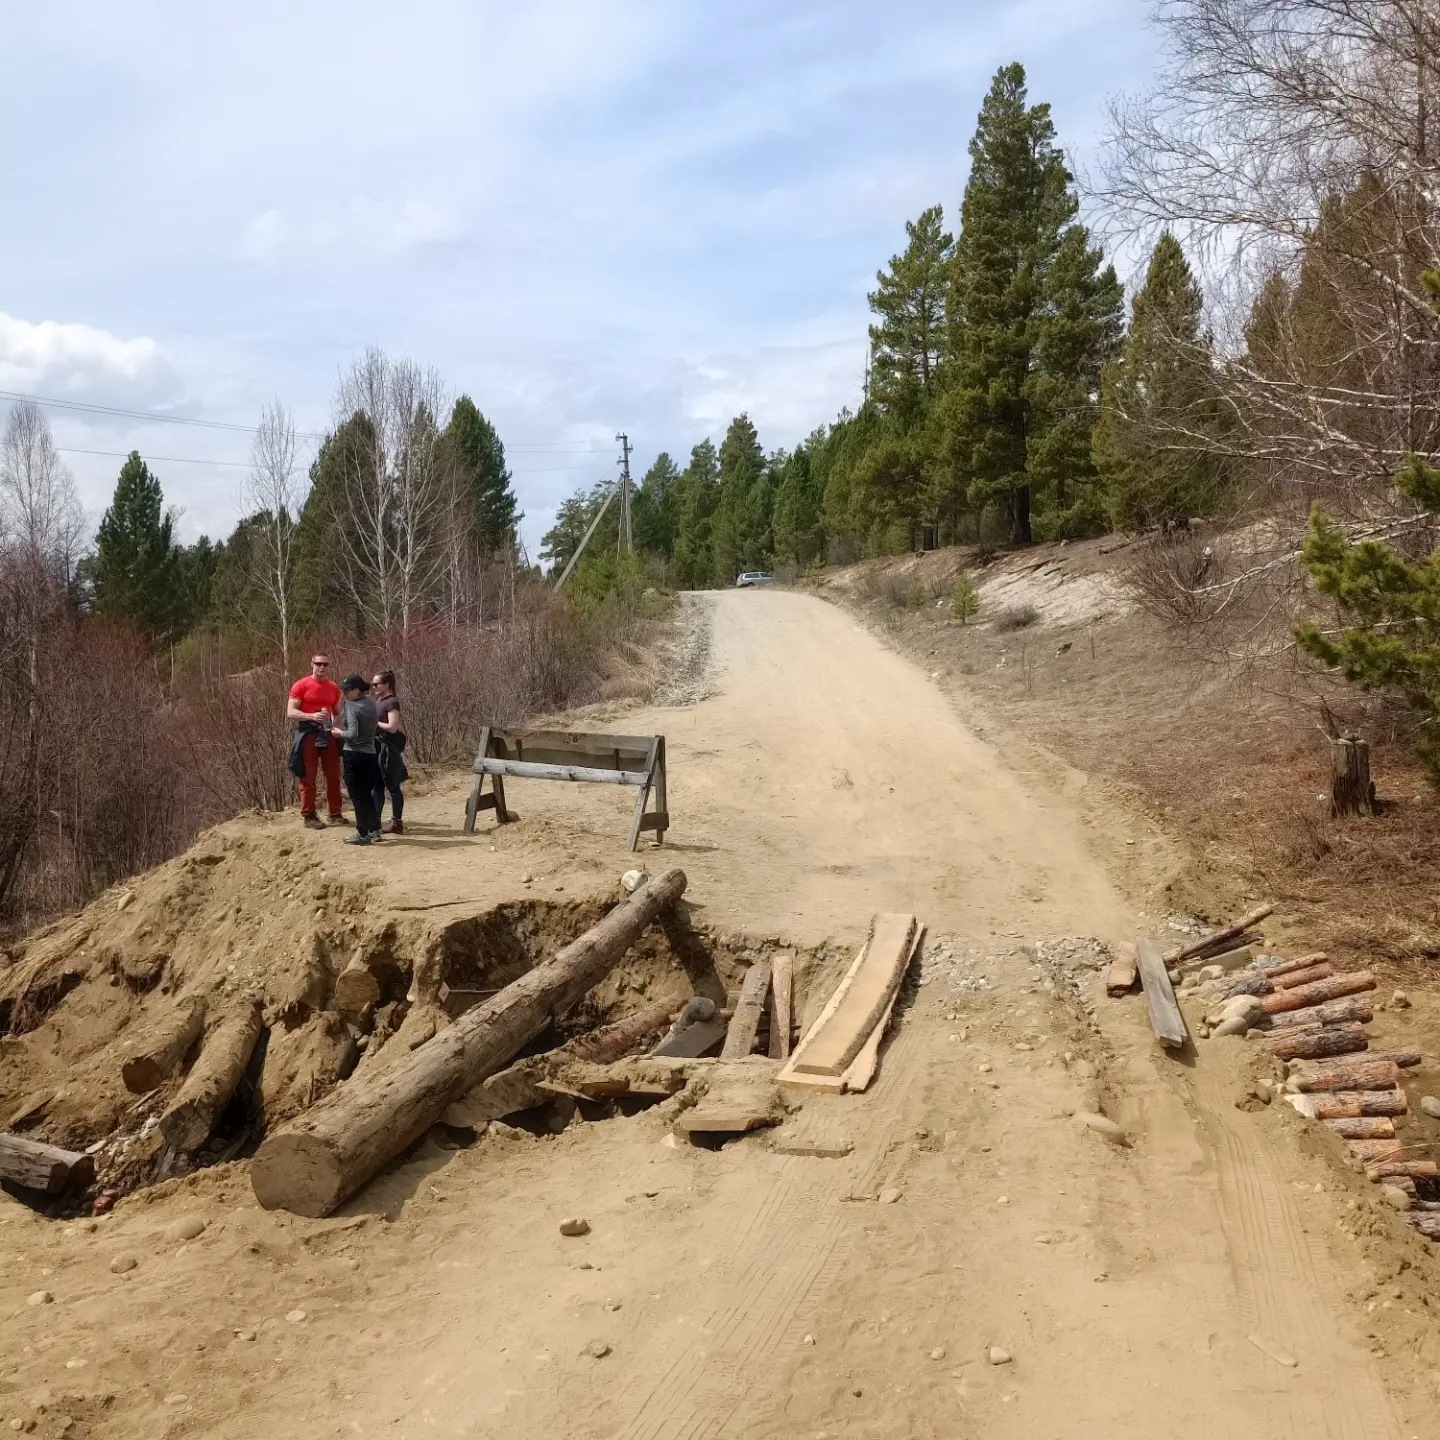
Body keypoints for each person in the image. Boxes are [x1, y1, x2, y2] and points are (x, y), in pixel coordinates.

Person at [286, 654, 344, 830]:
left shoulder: (333, 687)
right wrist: (311, 716)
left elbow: (337, 712)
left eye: (325, 664)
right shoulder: (301, 685)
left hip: (327, 733)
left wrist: (334, 727)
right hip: (308, 732)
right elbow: (290, 712)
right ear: (312, 664)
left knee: (333, 774)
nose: (322, 667)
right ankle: (309, 814)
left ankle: (334, 812)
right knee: (308, 775)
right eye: (318, 663)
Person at [332, 674, 382, 845]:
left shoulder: (351, 706)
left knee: (357, 796)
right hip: (370, 753)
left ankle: (362, 834)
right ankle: (375, 830)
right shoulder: (370, 702)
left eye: (346, 690)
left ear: (356, 690)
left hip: (354, 754)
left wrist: (339, 733)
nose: (343, 693)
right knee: (367, 794)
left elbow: (352, 734)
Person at [371, 669, 408, 835]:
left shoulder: (391, 702)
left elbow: (393, 727)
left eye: (376, 684)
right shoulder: (378, 701)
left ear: (386, 684)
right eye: (372, 684)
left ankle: (396, 823)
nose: (373, 687)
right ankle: (375, 823)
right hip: (377, 747)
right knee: (376, 786)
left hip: (387, 749)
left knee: (392, 786)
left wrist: (375, 722)